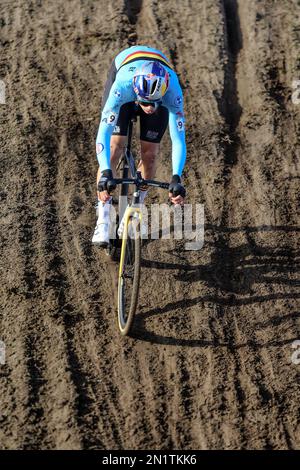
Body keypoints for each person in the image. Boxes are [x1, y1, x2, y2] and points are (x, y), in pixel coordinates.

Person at [92, 45, 187, 246]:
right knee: (115, 145)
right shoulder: (122, 87)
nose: (149, 108)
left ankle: (134, 209)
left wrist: (176, 176)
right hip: (124, 66)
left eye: (154, 103)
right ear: (137, 93)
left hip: (157, 78)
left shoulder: (173, 92)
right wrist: (107, 173)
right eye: (145, 103)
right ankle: (103, 217)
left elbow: (178, 138)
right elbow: (103, 133)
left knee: (150, 154)